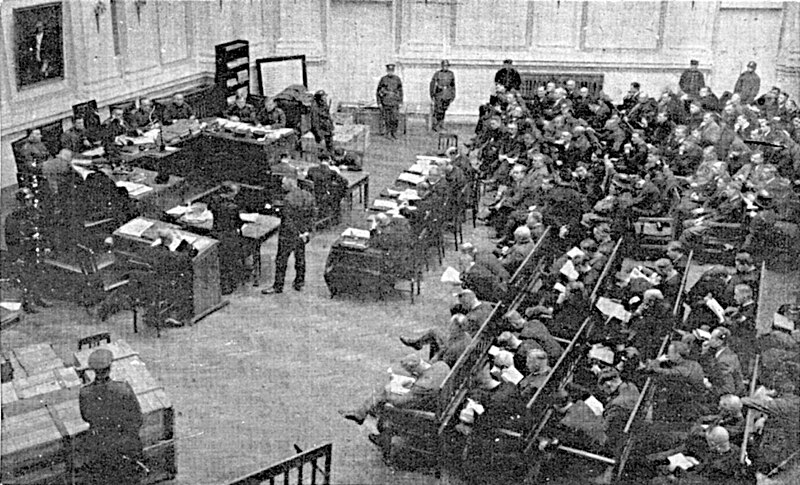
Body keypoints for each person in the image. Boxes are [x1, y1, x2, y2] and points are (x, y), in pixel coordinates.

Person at [79, 349, 144, 485]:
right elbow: (138, 418)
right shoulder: (123, 389)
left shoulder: (85, 393)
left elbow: (85, 417)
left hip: (100, 446)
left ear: (93, 371)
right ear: (110, 368)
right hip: (125, 445)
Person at [338, 353, 450, 426]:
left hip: (427, 411)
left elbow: (400, 402)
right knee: (383, 395)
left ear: (414, 371)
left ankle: (376, 427)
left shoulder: (422, 385)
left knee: (385, 395)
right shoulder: (442, 365)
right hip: (442, 402)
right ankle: (365, 411)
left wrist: (390, 394)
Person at [262, 175, 315, 294]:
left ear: (290, 184)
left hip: (288, 235)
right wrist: (306, 232)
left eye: (283, 184)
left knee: (281, 260)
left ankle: (278, 286)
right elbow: (312, 215)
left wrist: (296, 233)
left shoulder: (288, 199)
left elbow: (287, 220)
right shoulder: (308, 196)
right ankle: (299, 283)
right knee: (300, 258)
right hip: (303, 233)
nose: (282, 186)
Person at [306, 153, 348, 225]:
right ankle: (335, 218)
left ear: (319, 161)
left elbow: (307, 181)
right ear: (329, 160)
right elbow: (345, 182)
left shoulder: (311, 170)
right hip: (324, 197)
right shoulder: (331, 172)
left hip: (313, 196)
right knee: (337, 194)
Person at [20, 20, 62, 84]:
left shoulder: (47, 36)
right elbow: (31, 47)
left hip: (45, 56)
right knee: (37, 72)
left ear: (43, 27)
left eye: (40, 27)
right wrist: (31, 51)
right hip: (36, 56)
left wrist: (48, 57)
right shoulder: (34, 37)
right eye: (37, 27)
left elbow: (50, 47)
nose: (39, 28)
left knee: (44, 70)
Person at [376, 63, 403, 139]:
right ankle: (387, 133)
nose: (390, 72)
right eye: (389, 71)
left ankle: (394, 133)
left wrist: (400, 101)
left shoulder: (397, 79)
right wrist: (379, 102)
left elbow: (400, 91)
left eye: (391, 71)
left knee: (395, 119)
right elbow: (378, 91)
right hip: (386, 102)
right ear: (387, 71)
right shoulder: (383, 79)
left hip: (394, 102)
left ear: (393, 71)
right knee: (387, 119)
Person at [430, 59, 456, 132]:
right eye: (444, 66)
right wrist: (432, 94)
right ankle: (435, 125)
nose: (445, 67)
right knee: (438, 110)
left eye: (447, 66)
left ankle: (441, 125)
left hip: (447, 94)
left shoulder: (451, 74)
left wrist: (453, 94)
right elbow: (432, 84)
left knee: (443, 110)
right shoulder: (437, 74)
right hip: (439, 94)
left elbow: (453, 85)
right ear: (441, 66)